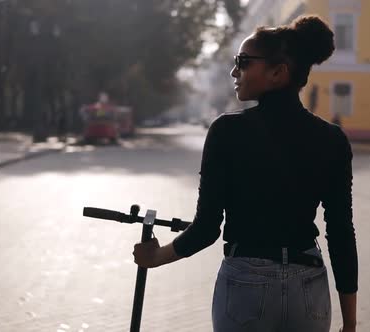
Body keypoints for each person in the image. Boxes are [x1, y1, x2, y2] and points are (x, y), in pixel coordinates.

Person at [133, 15, 358, 332]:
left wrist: (155, 257)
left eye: (243, 62)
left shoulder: (227, 131)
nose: (234, 71)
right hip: (309, 288)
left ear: (278, 72)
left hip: (246, 286)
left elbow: (207, 229)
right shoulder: (333, 140)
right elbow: (340, 233)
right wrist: (350, 322)